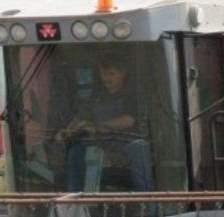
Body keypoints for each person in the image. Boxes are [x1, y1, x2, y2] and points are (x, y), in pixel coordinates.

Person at [55, 53, 152, 192]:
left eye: (111, 74)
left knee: (139, 148)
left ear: (122, 73)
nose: (106, 78)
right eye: (103, 74)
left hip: (126, 141)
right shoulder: (97, 94)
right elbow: (81, 115)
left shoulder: (133, 93)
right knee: (75, 151)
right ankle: (74, 200)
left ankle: (146, 202)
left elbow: (128, 120)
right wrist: (67, 132)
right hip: (100, 142)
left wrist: (97, 127)